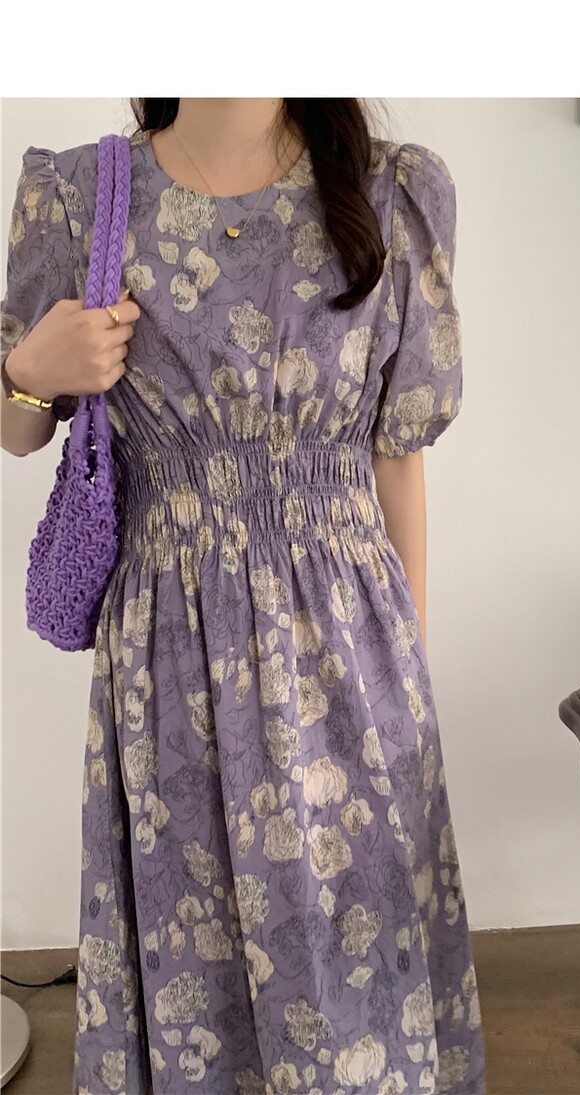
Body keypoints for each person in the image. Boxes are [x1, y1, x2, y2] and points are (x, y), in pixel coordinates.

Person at [0, 98, 487, 1095]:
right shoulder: (80, 196)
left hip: (351, 658)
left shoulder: (392, 192)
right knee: (196, 965)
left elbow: (398, 458)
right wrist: (27, 372)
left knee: (355, 967)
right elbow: (20, 430)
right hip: (170, 669)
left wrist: (410, 682)